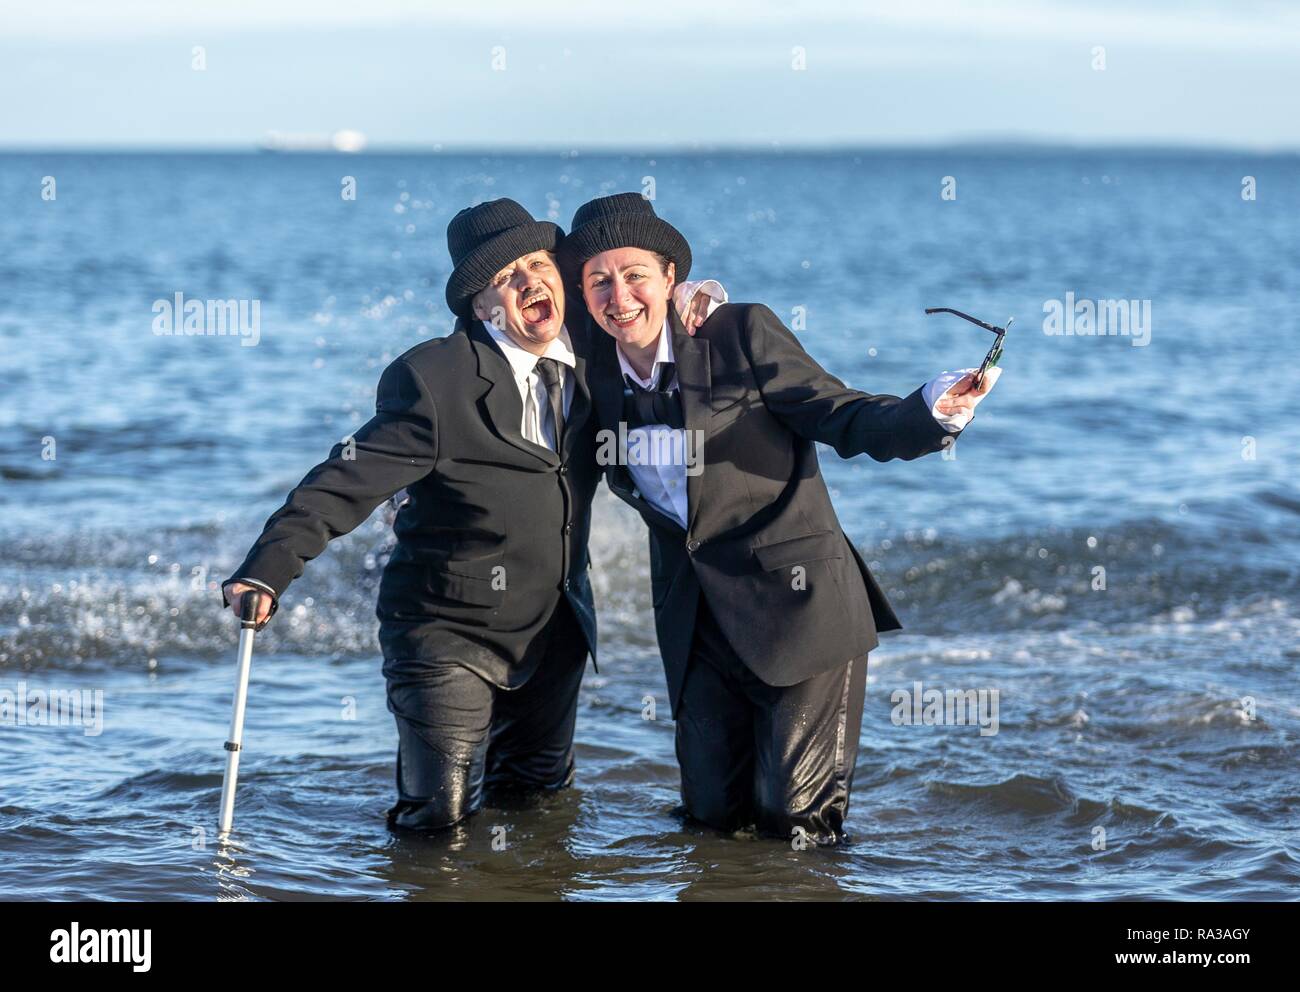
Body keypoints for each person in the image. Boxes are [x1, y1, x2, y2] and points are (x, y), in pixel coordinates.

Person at [222, 198, 717, 831]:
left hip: (553, 633)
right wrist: (266, 570)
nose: (530, 281)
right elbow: (342, 482)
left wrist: (706, 295)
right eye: (507, 277)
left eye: (538, 264)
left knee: (540, 818)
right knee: (439, 824)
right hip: (446, 635)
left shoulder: (594, 353)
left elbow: (655, 309)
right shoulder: (434, 379)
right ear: (481, 306)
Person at [561, 192, 1001, 844]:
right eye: (599, 280)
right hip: (695, 623)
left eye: (634, 276)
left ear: (669, 279)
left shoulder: (739, 334)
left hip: (796, 608)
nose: (618, 295)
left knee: (795, 825)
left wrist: (929, 411)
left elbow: (839, 413)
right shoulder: (591, 371)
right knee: (708, 821)